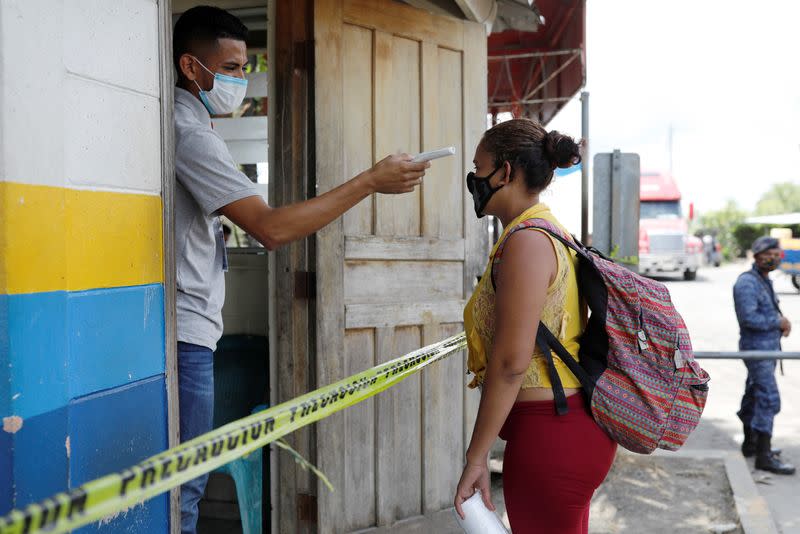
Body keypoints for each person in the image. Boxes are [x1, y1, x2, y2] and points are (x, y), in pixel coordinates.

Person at [172, 7, 429, 533]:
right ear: (191, 67)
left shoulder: (190, 126)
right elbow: (270, 228)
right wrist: (368, 183)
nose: (239, 80)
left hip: (192, 329)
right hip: (185, 335)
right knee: (182, 493)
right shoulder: (188, 133)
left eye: (246, 67)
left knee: (183, 487)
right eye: (229, 68)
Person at [454, 119, 616, 533]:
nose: (473, 179)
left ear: (505, 172)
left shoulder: (527, 242)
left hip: (552, 434)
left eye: (479, 166)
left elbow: (511, 363)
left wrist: (476, 459)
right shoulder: (549, 233)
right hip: (562, 428)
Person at [733, 236, 795, 475]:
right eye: (769, 255)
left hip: (766, 350)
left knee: (753, 395)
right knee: (768, 399)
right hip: (756, 350)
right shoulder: (747, 283)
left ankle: (751, 444)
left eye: (776, 255)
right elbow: (748, 318)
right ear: (758, 257)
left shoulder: (763, 279)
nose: (774, 259)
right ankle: (764, 456)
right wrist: (777, 322)